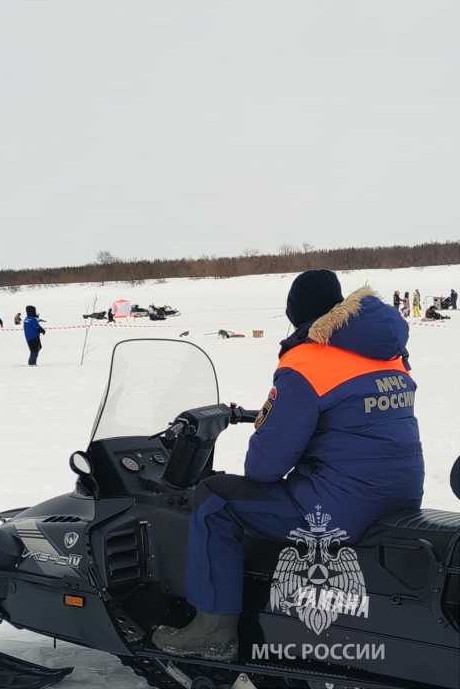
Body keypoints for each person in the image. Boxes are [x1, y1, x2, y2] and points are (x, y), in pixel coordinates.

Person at [154, 271, 423, 662]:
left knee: (216, 500)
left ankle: (212, 631)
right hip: (401, 493)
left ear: (297, 313)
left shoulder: (306, 360)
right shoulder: (386, 351)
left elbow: (265, 466)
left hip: (340, 506)